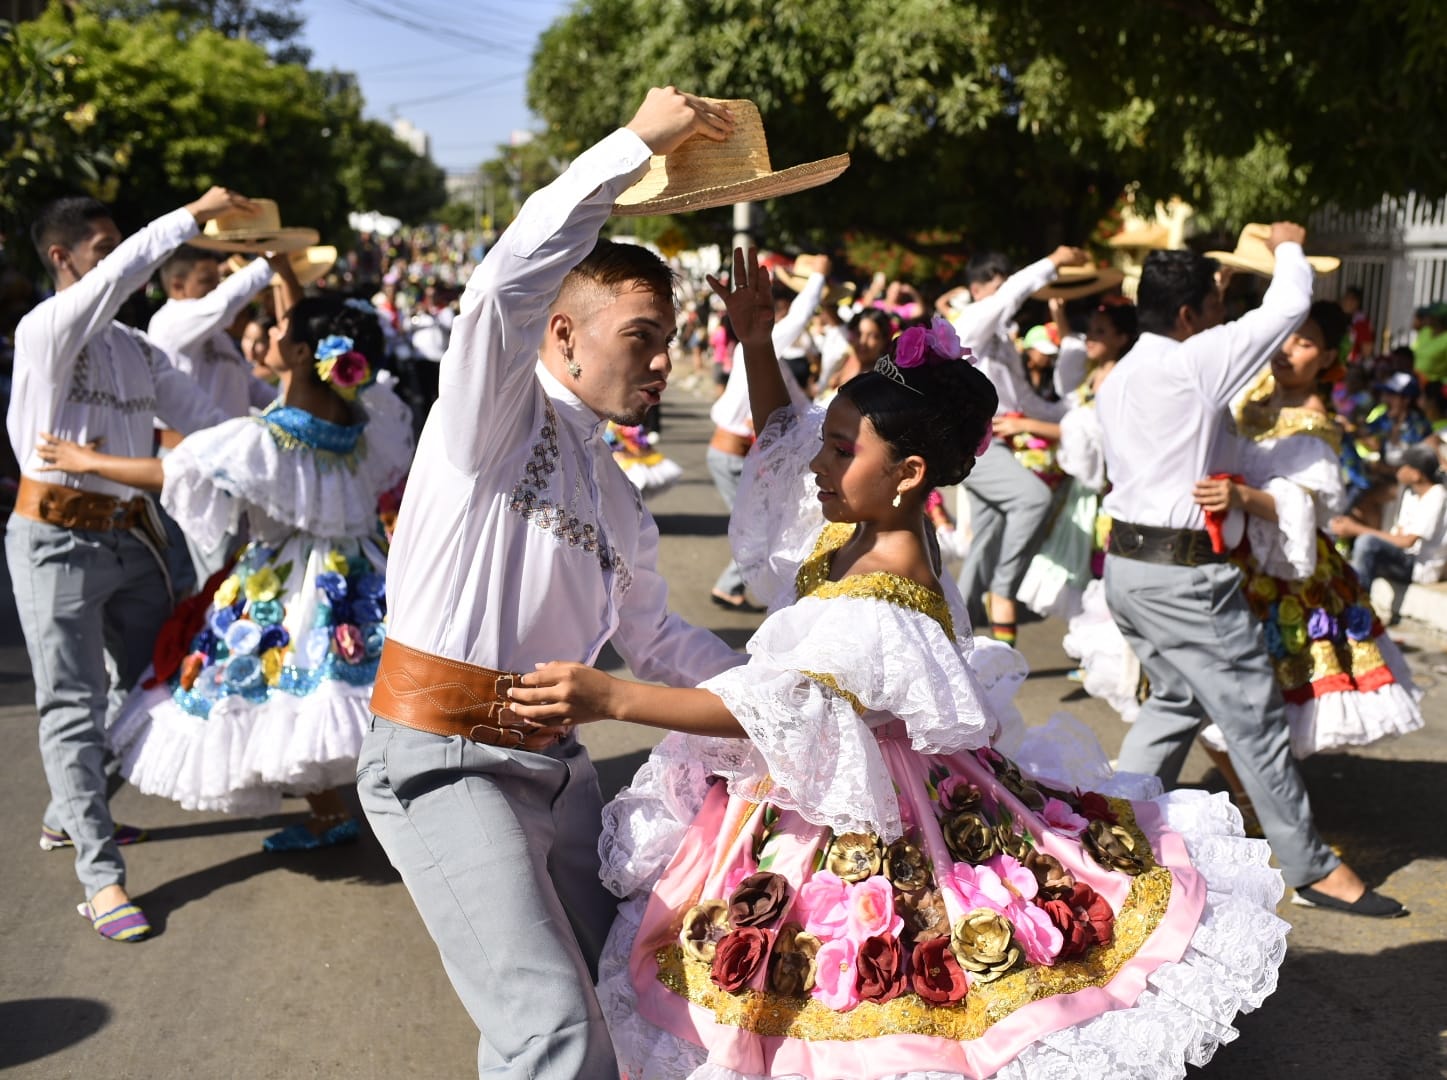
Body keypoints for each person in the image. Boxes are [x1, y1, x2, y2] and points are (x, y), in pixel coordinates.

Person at [511, 247, 1290, 1080]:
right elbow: (784, 442)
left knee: (882, 994)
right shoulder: (856, 521)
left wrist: (613, 698)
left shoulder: (882, 595)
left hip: (870, 814)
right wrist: (756, 341)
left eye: (841, 448)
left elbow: (771, 709)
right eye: (831, 440)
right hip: (833, 780)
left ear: (908, 473)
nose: (818, 460)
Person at [355, 89, 748, 1078]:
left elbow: (658, 640)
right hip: (442, 763)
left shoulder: (613, 489)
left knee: (628, 988)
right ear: (564, 336)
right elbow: (500, 290)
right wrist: (630, 146)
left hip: (559, 772)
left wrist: (781, 690)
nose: (664, 362)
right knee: (551, 1031)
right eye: (643, 337)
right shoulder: (490, 420)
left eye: (670, 341)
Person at [1098, 226, 1404, 918]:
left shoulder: (1121, 376)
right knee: (1255, 719)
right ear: (1186, 318)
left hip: (1128, 569)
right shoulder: (1190, 364)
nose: (1221, 317)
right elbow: (1289, 303)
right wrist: (1289, 246)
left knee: (1174, 700)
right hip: (1181, 577)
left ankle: (1107, 834)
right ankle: (1312, 867)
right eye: (1211, 305)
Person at [38, 296, 414, 847]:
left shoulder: (264, 438)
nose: (269, 333)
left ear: (305, 351)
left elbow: (172, 471)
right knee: (329, 695)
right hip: (361, 571)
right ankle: (339, 812)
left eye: (281, 326)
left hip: (286, 579)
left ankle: (347, 814)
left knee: (285, 697)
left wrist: (87, 461)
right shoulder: (362, 421)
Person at [8, 188, 249, 942]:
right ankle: (100, 875)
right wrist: (192, 214)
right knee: (71, 706)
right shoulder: (45, 332)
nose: (120, 264)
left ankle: (64, 813)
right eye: (103, 247)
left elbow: (212, 427)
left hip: (137, 539)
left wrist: (297, 442)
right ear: (63, 257)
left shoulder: (137, 348)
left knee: (153, 683)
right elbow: (123, 275)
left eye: (119, 245)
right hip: (56, 541)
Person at [1188, 301, 1422, 772]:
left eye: (1306, 342)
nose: (1289, 349)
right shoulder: (1254, 391)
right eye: (1288, 335)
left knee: (1274, 694)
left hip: (1287, 574)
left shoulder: (1315, 423)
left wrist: (1240, 497)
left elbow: (1306, 506)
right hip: (1227, 553)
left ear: (1329, 358)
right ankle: (1254, 797)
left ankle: (1265, 803)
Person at [951, 245, 1090, 645]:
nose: (1007, 296)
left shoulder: (1002, 339)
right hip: (974, 443)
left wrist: (1074, 410)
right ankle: (1003, 591)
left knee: (987, 540)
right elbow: (1011, 293)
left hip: (1001, 444)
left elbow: (1024, 401)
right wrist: (1054, 261)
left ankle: (955, 630)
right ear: (977, 290)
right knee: (1033, 500)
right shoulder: (971, 322)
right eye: (996, 287)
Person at [149, 245, 295, 586]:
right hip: (191, 459)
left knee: (231, 568)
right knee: (212, 577)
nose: (217, 289)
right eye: (207, 281)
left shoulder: (217, 338)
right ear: (177, 287)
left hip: (230, 462)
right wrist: (267, 263)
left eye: (219, 280)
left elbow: (251, 389)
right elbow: (222, 305)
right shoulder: (169, 323)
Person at [708, 253, 827, 611]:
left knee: (764, 527)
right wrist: (818, 279)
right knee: (761, 529)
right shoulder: (759, 354)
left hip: (737, 455)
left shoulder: (771, 367)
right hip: (731, 457)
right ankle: (730, 586)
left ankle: (736, 586)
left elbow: (794, 411)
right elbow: (800, 318)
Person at [1335, 443, 1447, 589]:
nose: (1397, 470)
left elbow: (1406, 541)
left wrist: (1356, 529)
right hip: (1404, 557)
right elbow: (1399, 534)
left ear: (1416, 475)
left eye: (1402, 466)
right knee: (1351, 565)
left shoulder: (1437, 495)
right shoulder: (1410, 493)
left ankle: (1360, 606)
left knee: (1367, 543)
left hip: (1419, 568)